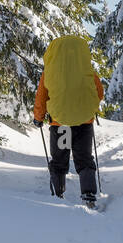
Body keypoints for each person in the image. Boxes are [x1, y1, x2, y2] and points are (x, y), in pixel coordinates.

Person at [32, 35, 104, 204]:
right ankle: (89, 194)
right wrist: (90, 109)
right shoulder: (86, 70)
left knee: (59, 161)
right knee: (85, 159)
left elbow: (41, 96)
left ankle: (58, 194)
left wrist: (38, 117)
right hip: (84, 124)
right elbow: (98, 92)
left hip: (60, 124)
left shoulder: (50, 71)